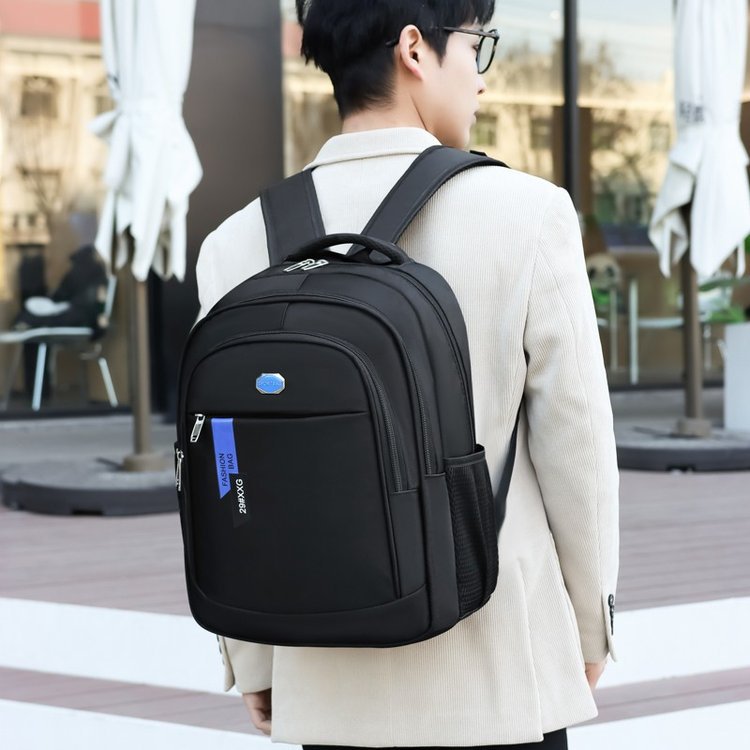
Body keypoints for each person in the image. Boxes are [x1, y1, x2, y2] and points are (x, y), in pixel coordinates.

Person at [194, 1, 619, 747]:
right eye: (476, 47)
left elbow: (226, 472)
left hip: (326, 674)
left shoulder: (235, 243)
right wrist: (590, 628)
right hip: (498, 677)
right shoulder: (529, 215)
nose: (482, 80)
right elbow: (576, 448)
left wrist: (255, 658)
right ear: (415, 50)